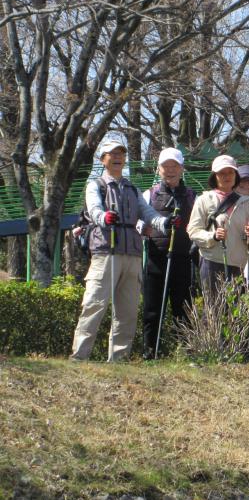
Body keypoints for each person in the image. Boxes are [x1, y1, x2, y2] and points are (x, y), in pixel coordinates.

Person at [71, 140, 176, 362]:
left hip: (133, 255)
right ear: (103, 159)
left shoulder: (132, 188)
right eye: (112, 154)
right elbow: (95, 209)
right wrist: (104, 218)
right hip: (105, 253)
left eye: (121, 153)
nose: (117, 157)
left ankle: (119, 359)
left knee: (127, 312)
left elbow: (147, 213)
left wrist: (164, 223)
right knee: (94, 305)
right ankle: (80, 356)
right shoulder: (95, 185)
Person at [140, 147, 197, 360]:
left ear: (182, 169)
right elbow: (140, 221)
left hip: (183, 257)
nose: (170, 170)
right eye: (166, 166)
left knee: (183, 307)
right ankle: (150, 351)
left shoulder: (192, 195)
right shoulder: (150, 194)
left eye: (174, 166)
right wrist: (143, 229)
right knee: (153, 308)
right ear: (159, 169)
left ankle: (185, 351)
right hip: (156, 256)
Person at [187, 155, 249, 298]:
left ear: (236, 175)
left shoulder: (246, 203)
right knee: (214, 311)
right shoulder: (204, 200)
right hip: (212, 261)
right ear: (214, 176)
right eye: (222, 173)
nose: (227, 176)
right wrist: (213, 236)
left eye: (230, 172)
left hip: (238, 264)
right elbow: (193, 230)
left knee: (235, 311)